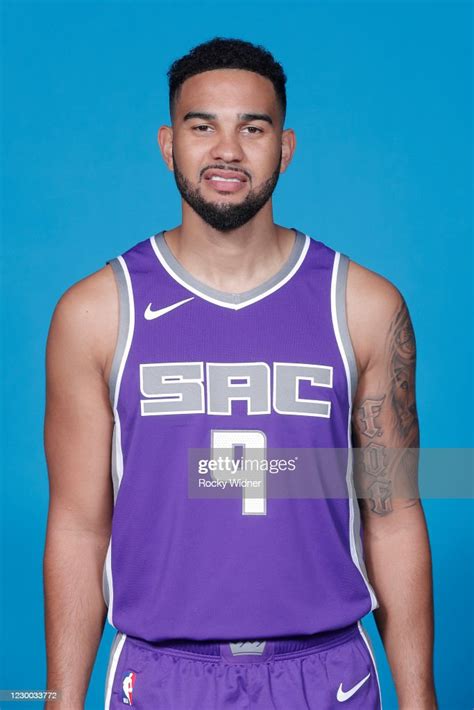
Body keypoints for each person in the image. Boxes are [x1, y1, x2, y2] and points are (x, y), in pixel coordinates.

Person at [43, 36, 437, 710]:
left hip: (328, 672)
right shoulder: (97, 312)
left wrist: (420, 697)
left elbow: (394, 515)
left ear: (285, 148)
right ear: (169, 144)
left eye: (252, 128)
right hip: (158, 677)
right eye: (203, 126)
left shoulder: (366, 307)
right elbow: (79, 526)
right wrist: (60, 700)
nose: (227, 150)